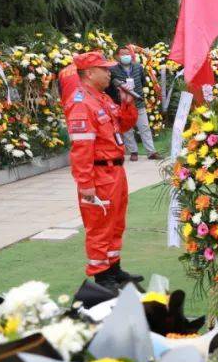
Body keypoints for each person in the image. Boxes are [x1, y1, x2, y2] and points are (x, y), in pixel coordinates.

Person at [63, 51, 141, 290]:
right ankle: (101, 275)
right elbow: (82, 149)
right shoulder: (81, 103)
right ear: (89, 73)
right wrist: (86, 184)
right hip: (99, 173)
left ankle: (114, 268)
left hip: (116, 171)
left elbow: (124, 126)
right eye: (104, 69)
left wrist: (127, 104)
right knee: (99, 226)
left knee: (116, 223)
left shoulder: (103, 98)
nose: (110, 73)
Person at [111, 46, 159, 162]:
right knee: (127, 129)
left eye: (127, 54)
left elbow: (142, 81)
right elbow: (111, 86)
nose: (126, 56)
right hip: (124, 105)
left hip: (138, 102)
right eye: (123, 54)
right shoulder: (113, 70)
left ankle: (151, 152)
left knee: (144, 127)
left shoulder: (138, 67)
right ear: (117, 56)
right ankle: (133, 152)